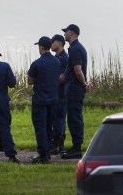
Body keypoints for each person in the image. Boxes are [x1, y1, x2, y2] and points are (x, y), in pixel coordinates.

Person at [27, 36, 61, 164]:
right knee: (48, 127)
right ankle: (48, 151)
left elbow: (29, 81)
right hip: (53, 99)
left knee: (40, 127)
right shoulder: (57, 62)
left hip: (40, 100)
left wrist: (38, 79)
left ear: (41, 47)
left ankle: (43, 154)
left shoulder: (36, 63)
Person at [61, 24, 88, 159]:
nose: (64, 34)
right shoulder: (76, 48)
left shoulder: (75, 49)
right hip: (74, 88)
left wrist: (84, 83)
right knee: (74, 117)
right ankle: (76, 146)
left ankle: (77, 148)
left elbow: (78, 70)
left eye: (66, 32)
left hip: (74, 88)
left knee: (74, 117)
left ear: (71, 33)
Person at [50, 33, 69, 155]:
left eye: (53, 41)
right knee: (55, 118)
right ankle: (57, 143)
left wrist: (49, 82)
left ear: (59, 43)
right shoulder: (55, 58)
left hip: (61, 93)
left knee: (59, 118)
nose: (51, 44)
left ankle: (58, 144)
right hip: (54, 93)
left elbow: (62, 78)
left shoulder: (64, 58)